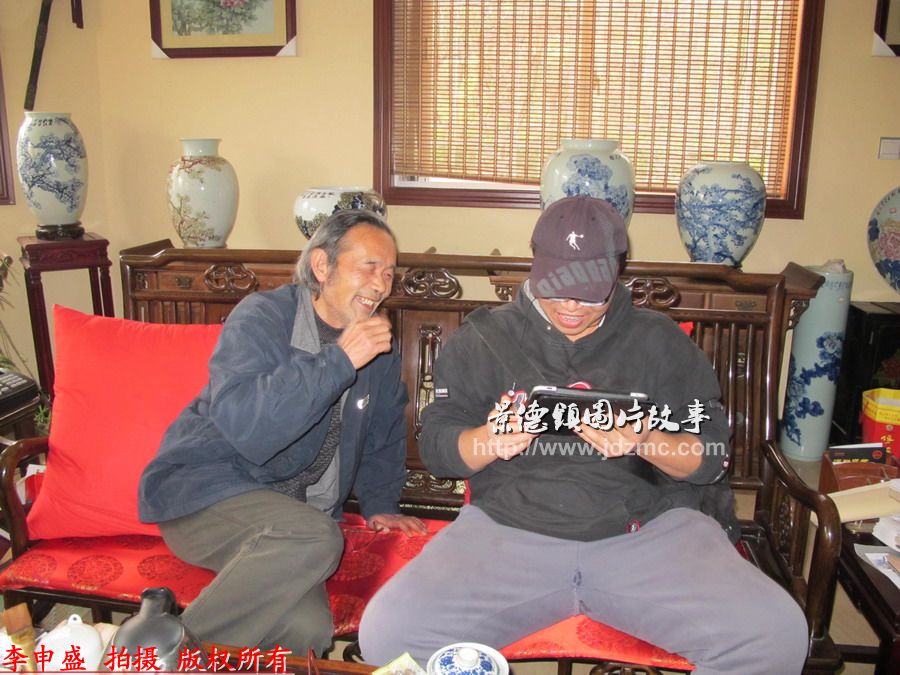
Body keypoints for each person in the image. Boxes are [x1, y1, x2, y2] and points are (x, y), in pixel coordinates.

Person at [358, 196, 808, 675]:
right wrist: (489, 440)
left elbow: (712, 455)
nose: (572, 306)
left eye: (590, 294)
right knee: (390, 632)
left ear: (616, 273)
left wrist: (646, 440)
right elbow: (438, 449)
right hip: (508, 533)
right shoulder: (484, 338)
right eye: (557, 289)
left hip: (649, 534)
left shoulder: (660, 341)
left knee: (775, 635)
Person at [139, 210, 426, 657]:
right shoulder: (263, 318)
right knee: (318, 537)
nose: (380, 284)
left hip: (289, 521)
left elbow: (383, 435)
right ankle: (163, 661)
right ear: (322, 265)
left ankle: (172, 654)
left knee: (307, 629)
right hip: (203, 494)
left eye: (389, 272)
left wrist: (381, 504)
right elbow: (247, 427)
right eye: (369, 266)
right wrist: (338, 362)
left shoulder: (378, 350)